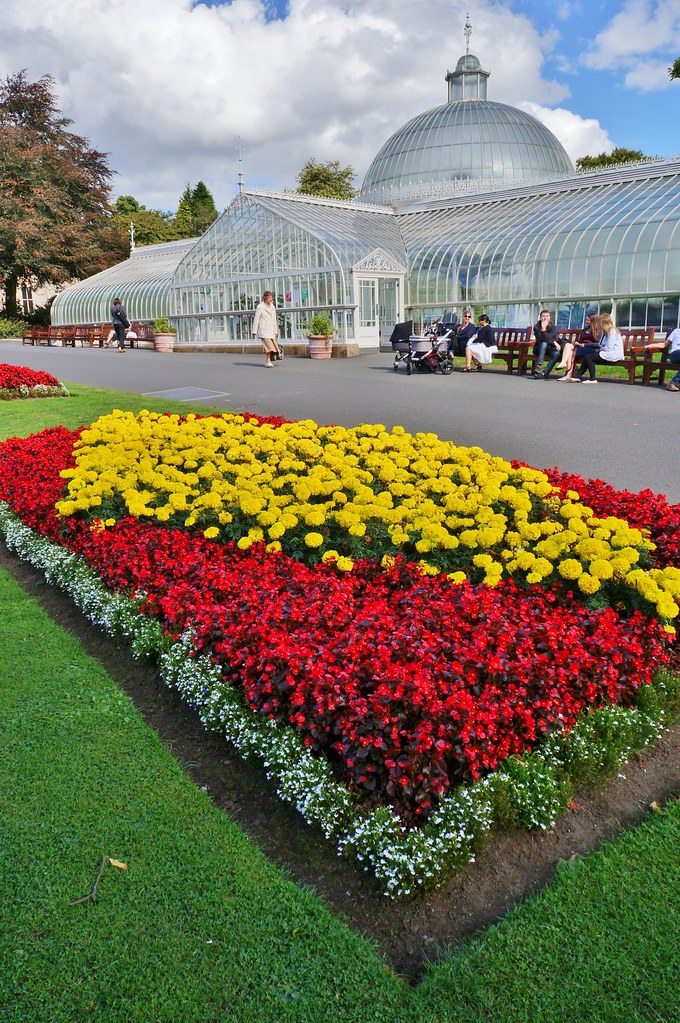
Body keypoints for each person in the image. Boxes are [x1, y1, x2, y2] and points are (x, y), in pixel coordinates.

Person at [572, 312, 623, 383]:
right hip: (605, 352)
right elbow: (600, 344)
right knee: (588, 357)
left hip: (612, 354)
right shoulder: (604, 332)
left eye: (600, 323)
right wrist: (601, 347)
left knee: (589, 357)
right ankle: (578, 376)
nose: (598, 325)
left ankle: (592, 379)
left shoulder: (612, 331)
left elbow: (609, 348)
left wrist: (602, 348)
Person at [551, 312, 600, 381]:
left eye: (588, 320)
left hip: (590, 349)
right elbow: (580, 340)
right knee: (568, 346)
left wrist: (584, 345)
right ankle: (564, 364)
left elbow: (599, 344)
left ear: (593, 321)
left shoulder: (598, 330)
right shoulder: (585, 330)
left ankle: (568, 374)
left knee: (570, 353)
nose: (586, 321)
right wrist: (578, 343)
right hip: (580, 348)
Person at [642, 326, 680, 391]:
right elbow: (664, 344)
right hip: (675, 354)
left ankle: (673, 383)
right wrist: (652, 345)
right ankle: (674, 382)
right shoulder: (676, 331)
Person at [252, 291, 281, 367]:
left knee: (272, 347)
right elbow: (256, 319)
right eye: (269, 297)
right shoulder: (260, 307)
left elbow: (274, 319)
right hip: (264, 330)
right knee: (268, 346)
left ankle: (269, 360)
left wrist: (275, 330)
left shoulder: (272, 306)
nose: (271, 299)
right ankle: (268, 361)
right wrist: (254, 331)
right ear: (265, 298)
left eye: (271, 297)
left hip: (271, 330)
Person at [531, 309, 560, 377]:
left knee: (556, 353)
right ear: (540, 317)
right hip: (539, 348)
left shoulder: (553, 327)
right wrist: (553, 342)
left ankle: (545, 373)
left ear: (549, 317)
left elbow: (549, 338)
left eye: (547, 316)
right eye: (543, 316)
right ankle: (539, 366)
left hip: (550, 348)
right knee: (544, 343)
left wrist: (544, 331)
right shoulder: (536, 327)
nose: (545, 318)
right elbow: (540, 339)